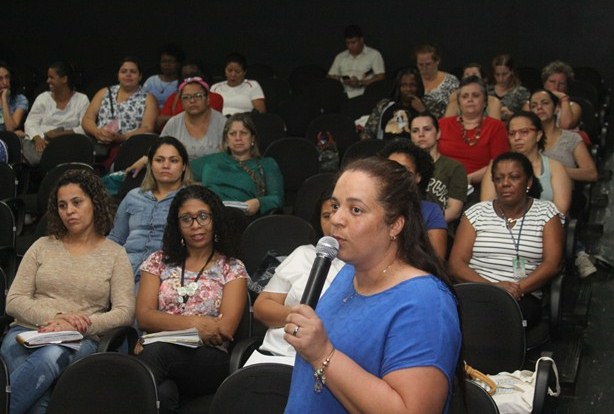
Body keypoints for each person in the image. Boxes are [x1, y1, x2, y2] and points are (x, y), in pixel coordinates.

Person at [283, 157, 461, 413]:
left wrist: (323, 354)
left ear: (395, 225)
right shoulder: (349, 273)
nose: (336, 219)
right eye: (335, 206)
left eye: (356, 210)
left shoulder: (426, 301)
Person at [0, 169, 135, 414]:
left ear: (94, 203)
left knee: (50, 357)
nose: (69, 211)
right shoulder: (41, 246)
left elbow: (125, 312)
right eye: (62, 205)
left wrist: (79, 325)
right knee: (38, 396)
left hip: (78, 338)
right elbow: (14, 300)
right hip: (26, 331)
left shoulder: (115, 254)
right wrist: (58, 316)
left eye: (76, 202)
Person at [135, 184, 248, 413]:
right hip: (159, 355)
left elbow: (223, 330)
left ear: (215, 219)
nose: (195, 225)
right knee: (164, 394)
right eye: (186, 219)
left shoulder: (232, 268)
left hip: (208, 360)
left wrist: (160, 330)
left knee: (156, 353)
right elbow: (144, 316)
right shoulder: (157, 261)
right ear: (177, 225)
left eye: (203, 217)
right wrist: (198, 324)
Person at [449, 152, 564, 329]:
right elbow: (456, 263)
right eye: (498, 178)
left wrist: (515, 289)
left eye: (514, 177)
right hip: (477, 290)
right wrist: (493, 288)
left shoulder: (546, 212)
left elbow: (553, 263)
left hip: (523, 294)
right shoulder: (477, 213)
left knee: (500, 322)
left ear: (529, 182)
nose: (505, 183)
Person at [248, 190, 345, 366]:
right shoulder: (303, 254)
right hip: (276, 354)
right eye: (326, 215)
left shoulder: (365, 265)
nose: (333, 221)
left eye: (338, 212)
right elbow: (262, 307)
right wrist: (301, 317)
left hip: (327, 362)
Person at [109, 136, 193, 283]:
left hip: (166, 273)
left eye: (173, 161)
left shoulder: (191, 199)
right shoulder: (133, 196)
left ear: (184, 166)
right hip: (124, 268)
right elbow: (115, 239)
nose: (165, 165)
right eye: (159, 160)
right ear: (150, 165)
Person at [481, 111, 572, 215]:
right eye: (512, 134)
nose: (517, 138)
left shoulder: (555, 167)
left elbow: (560, 211)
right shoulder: (496, 165)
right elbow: (486, 207)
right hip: (501, 226)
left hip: (544, 227)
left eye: (524, 132)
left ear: (538, 135)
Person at [196, 113, 283, 216]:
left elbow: (278, 199)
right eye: (232, 134)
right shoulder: (212, 160)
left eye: (243, 133)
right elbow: (180, 171)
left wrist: (259, 203)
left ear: (252, 138)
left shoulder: (267, 164)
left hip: (244, 218)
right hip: (209, 216)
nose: (238, 138)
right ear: (226, 140)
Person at [82, 57, 158, 168]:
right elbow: (87, 119)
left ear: (140, 76)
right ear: (118, 75)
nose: (128, 74)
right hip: (99, 147)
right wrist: (97, 132)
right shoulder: (104, 92)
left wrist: (122, 137)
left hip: (131, 149)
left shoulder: (148, 98)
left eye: (133, 72)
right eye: (124, 71)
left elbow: (147, 128)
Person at [379, 140, 448, 259]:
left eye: (404, 170)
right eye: (390, 168)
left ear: (418, 177)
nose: (396, 175)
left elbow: (437, 261)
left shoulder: (431, 211)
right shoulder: (372, 204)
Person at [438, 75, 509, 185]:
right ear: (459, 103)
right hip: (442, 182)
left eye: (475, 95)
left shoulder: (496, 127)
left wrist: (468, 179)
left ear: (485, 102)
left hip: (480, 184)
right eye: (465, 96)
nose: (470, 99)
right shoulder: (442, 124)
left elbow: (498, 164)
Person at [23, 61, 90, 165]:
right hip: (43, 144)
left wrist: (59, 135)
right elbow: (30, 123)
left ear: (64, 79)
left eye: (51, 77)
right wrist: (38, 139)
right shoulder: (43, 98)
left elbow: (85, 127)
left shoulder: (82, 99)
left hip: (70, 145)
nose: (47, 81)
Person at [528, 89, 597, 182]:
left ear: (556, 108)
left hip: (564, 191)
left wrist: (555, 170)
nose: (539, 107)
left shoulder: (572, 138)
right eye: (534, 106)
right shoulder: (525, 138)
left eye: (545, 103)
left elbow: (591, 174)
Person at [410, 112, 467, 223]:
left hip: (439, 228)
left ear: (438, 133)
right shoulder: (405, 166)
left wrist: (423, 225)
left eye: (427, 129)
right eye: (415, 131)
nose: (421, 134)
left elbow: (454, 211)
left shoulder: (454, 167)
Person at [160, 76, 226, 160]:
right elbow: (160, 151)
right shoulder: (174, 123)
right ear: (182, 103)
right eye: (186, 97)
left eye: (198, 96)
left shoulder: (222, 123)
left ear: (208, 99)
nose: (192, 101)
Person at [359, 67, 426, 140]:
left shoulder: (427, 103)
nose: (408, 89)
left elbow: (436, 129)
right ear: (398, 87)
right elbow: (368, 132)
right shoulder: (384, 105)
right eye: (404, 85)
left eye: (412, 85)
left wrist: (423, 111)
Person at [156, 61, 224, 130]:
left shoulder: (215, 98)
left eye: (193, 75)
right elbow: (160, 121)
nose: (190, 79)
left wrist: (171, 118)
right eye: (185, 76)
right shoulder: (174, 98)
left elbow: (207, 119)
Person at [327, 25, 386, 99]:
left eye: (353, 42)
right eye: (348, 43)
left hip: (364, 95)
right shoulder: (340, 56)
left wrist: (360, 83)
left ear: (361, 40)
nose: (350, 46)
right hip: (341, 94)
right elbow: (329, 76)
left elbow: (381, 77)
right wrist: (338, 78)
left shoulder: (373, 55)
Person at [415, 44, 459, 118]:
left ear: (437, 61)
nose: (424, 68)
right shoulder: (413, 81)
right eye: (421, 65)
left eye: (428, 64)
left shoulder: (451, 81)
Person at [540, 60, 582, 129]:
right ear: (544, 84)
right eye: (552, 82)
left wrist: (563, 98)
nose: (556, 87)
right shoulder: (532, 105)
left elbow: (565, 127)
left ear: (567, 87)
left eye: (561, 84)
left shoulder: (574, 107)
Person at [488, 54, 530, 121]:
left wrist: (512, 116)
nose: (500, 79)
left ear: (511, 72)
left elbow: (529, 117)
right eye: (497, 74)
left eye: (504, 74)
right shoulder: (486, 91)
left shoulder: (521, 92)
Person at [143, 44, 185, 109]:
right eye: (164, 61)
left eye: (170, 61)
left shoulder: (182, 83)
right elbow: (141, 101)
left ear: (178, 64)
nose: (167, 65)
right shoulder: (151, 81)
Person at [0, 61, 29, 132]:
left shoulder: (20, 100)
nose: (5, 82)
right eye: (0, 79)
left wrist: (4, 99)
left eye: (7, 77)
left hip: (8, 141)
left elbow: (10, 128)